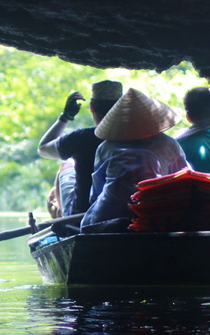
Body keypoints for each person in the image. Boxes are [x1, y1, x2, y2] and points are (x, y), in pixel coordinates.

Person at [81, 88, 189, 231]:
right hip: (153, 216)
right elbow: (184, 181)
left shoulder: (105, 147)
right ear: (152, 119)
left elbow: (95, 195)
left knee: (86, 226)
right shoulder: (169, 144)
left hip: (106, 217)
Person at [37, 80, 123, 217]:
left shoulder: (83, 137)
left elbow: (43, 148)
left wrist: (65, 117)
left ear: (92, 107)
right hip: (123, 214)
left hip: (80, 216)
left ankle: (61, 214)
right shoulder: (135, 137)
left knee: (67, 164)